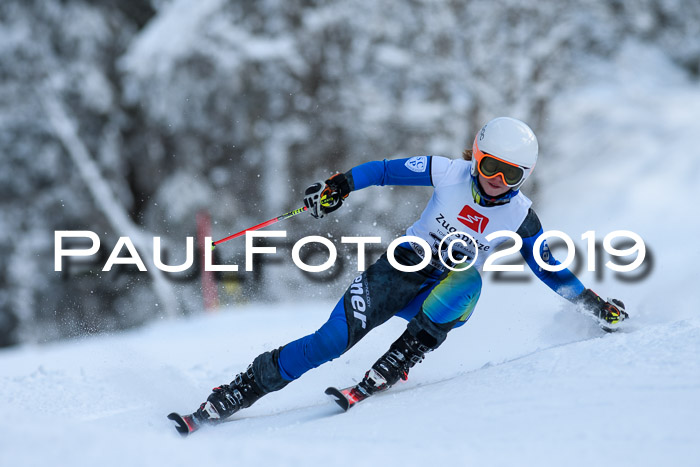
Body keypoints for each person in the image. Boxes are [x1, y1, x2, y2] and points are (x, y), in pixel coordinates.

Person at [190, 117, 628, 423]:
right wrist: (339, 187)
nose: (495, 179)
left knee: (468, 281)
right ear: (476, 157)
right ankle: (241, 389)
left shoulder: (520, 217)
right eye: (490, 165)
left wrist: (593, 305)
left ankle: (402, 355)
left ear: (523, 177)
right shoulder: (447, 172)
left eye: (509, 174)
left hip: (442, 292)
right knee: (328, 343)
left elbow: (550, 269)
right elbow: (381, 171)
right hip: (399, 270)